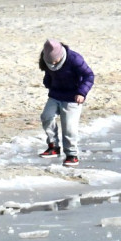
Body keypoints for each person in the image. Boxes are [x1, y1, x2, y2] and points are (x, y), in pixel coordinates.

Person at [38, 39, 94, 167]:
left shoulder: (74, 58)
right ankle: (53, 147)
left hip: (73, 97)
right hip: (55, 94)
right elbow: (48, 73)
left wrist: (81, 93)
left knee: (69, 127)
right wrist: (48, 83)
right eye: (49, 61)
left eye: (55, 60)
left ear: (60, 55)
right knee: (46, 117)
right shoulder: (46, 58)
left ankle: (72, 155)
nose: (52, 63)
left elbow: (89, 76)